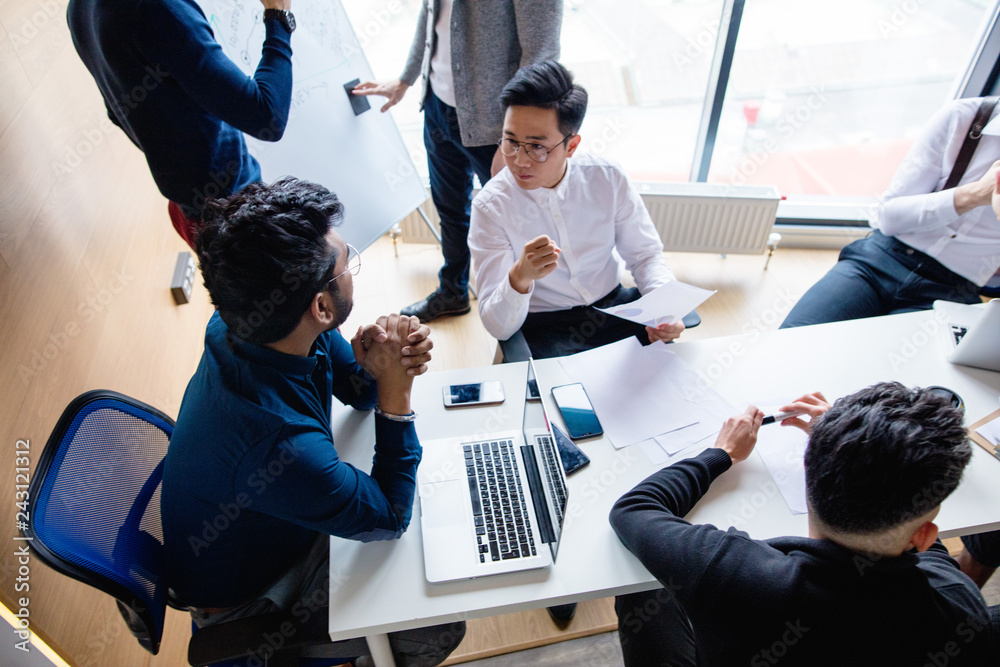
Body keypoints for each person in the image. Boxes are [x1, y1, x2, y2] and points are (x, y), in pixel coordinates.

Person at [162, 178, 463, 665]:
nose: (352, 274)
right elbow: (388, 517)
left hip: (271, 515)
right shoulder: (279, 444)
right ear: (322, 308)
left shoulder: (250, 322)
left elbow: (355, 390)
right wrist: (397, 394)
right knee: (437, 615)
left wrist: (377, 365)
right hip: (252, 602)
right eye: (348, 265)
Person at [611, 382, 996, 666]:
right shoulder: (961, 608)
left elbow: (635, 509)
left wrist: (721, 454)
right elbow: (925, 554)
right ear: (926, 535)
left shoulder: (730, 571)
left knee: (642, 587)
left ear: (809, 473)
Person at [354, 1, 562, 323]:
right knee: (451, 210)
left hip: (496, 125)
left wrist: (515, 139)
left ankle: (531, 311)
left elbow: (541, 54)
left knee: (516, 219)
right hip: (438, 109)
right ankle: (453, 292)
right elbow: (430, 17)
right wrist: (406, 80)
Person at [469, 61, 684, 359]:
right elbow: (499, 328)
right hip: (544, 324)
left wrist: (665, 309)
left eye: (536, 147)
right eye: (511, 142)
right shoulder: (491, 207)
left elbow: (645, 256)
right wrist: (519, 276)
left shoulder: (606, 177)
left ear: (571, 146)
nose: (519, 160)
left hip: (613, 308)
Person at [67, 0, 295, 248]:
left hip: (191, 213)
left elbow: (118, 114)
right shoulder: (156, 8)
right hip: (239, 222)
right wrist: (279, 14)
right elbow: (267, 117)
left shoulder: (77, 8)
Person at [780, 97, 1000, 329]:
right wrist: (972, 195)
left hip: (952, 293)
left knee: (885, 364)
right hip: (880, 261)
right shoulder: (965, 118)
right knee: (792, 343)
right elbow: (888, 217)